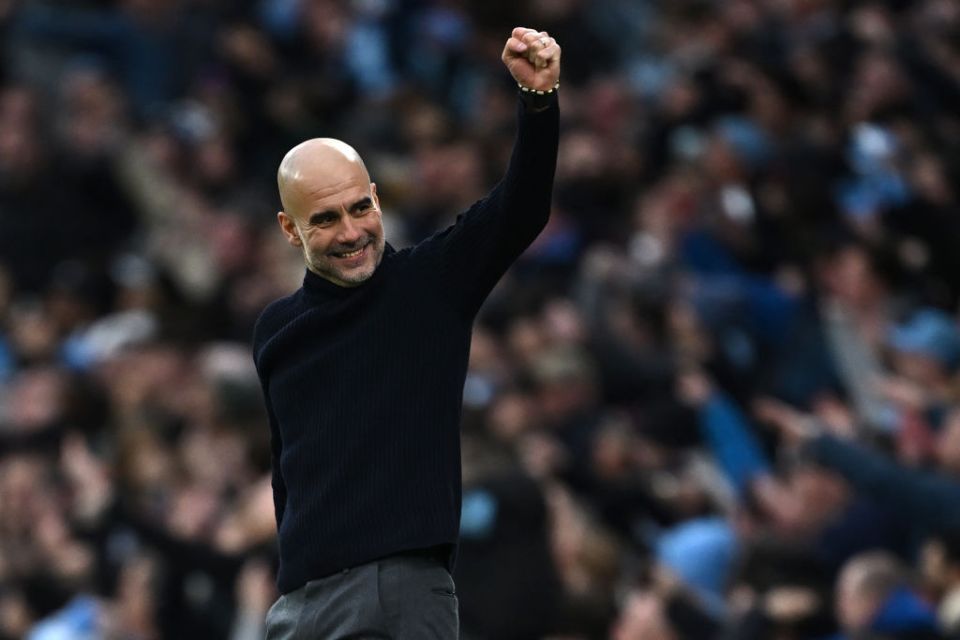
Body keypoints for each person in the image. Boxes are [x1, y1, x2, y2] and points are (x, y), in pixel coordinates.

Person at [251, 27, 561, 639]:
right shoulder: (275, 329)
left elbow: (521, 207)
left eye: (360, 207)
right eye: (326, 219)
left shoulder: (429, 285)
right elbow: (288, 470)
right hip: (302, 605)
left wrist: (538, 103)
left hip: (401, 591)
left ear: (376, 197)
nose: (351, 232)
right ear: (290, 230)